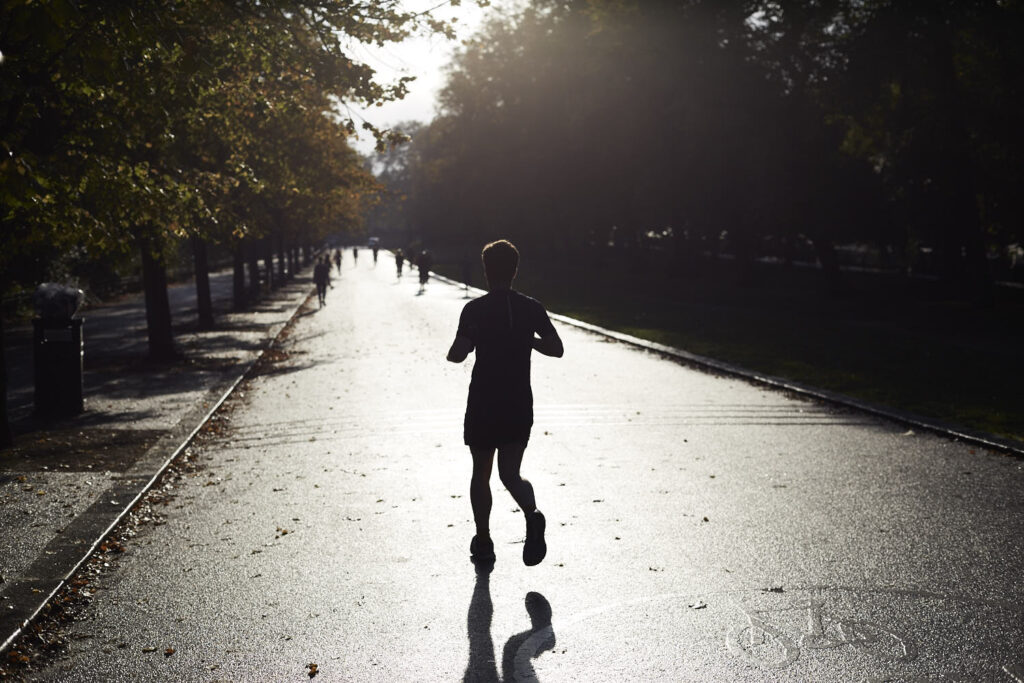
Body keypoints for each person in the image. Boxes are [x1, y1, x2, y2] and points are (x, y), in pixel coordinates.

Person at [447, 240, 564, 566]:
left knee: (480, 473)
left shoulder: (475, 310)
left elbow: (457, 354)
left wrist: (461, 347)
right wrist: (530, 341)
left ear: (486, 270)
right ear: (515, 270)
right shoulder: (531, 308)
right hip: (517, 401)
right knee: (511, 474)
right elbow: (556, 348)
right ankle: (533, 514)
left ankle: (483, 540)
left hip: (484, 401)